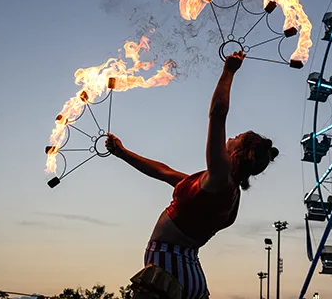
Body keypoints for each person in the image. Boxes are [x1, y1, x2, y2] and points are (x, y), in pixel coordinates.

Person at [106, 51, 278, 299]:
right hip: (187, 269)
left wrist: (228, 72)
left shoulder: (220, 179)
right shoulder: (219, 189)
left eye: (235, 138)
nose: (229, 138)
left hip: (168, 267)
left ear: (238, 153)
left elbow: (218, 114)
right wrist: (123, 153)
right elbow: (163, 172)